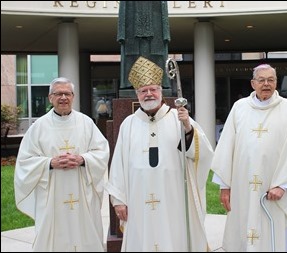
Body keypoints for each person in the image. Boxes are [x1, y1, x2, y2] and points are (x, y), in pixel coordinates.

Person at [105, 56, 214, 251]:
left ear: (160, 92)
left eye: (153, 89)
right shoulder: (129, 124)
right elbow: (118, 164)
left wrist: (188, 127)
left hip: (174, 197)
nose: (148, 94)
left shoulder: (178, 118)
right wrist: (119, 200)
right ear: (137, 94)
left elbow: (201, 153)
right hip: (138, 199)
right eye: (143, 91)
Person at [210, 64, 287, 251]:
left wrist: (283, 185)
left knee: (279, 234)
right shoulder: (239, 108)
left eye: (271, 80)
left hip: (277, 189)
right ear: (253, 83)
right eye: (261, 80)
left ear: (276, 83)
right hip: (242, 188)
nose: (266, 84)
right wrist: (225, 186)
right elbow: (226, 148)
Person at [14, 77, 110, 251]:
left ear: (73, 96)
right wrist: (50, 162)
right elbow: (25, 161)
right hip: (52, 193)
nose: (63, 97)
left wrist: (83, 159)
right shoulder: (39, 126)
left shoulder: (86, 123)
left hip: (82, 191)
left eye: (67, 93)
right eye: (58, 94)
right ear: (50, 97)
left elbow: (102, 151)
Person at [117, 1, 170, 89]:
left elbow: (164, 14)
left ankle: (159, 84)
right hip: (132, 34)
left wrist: (166, 35)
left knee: (157, 58)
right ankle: (129, 84)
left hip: (156, 35)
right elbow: (122, 12)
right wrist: (121, 35)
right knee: (131, 59)